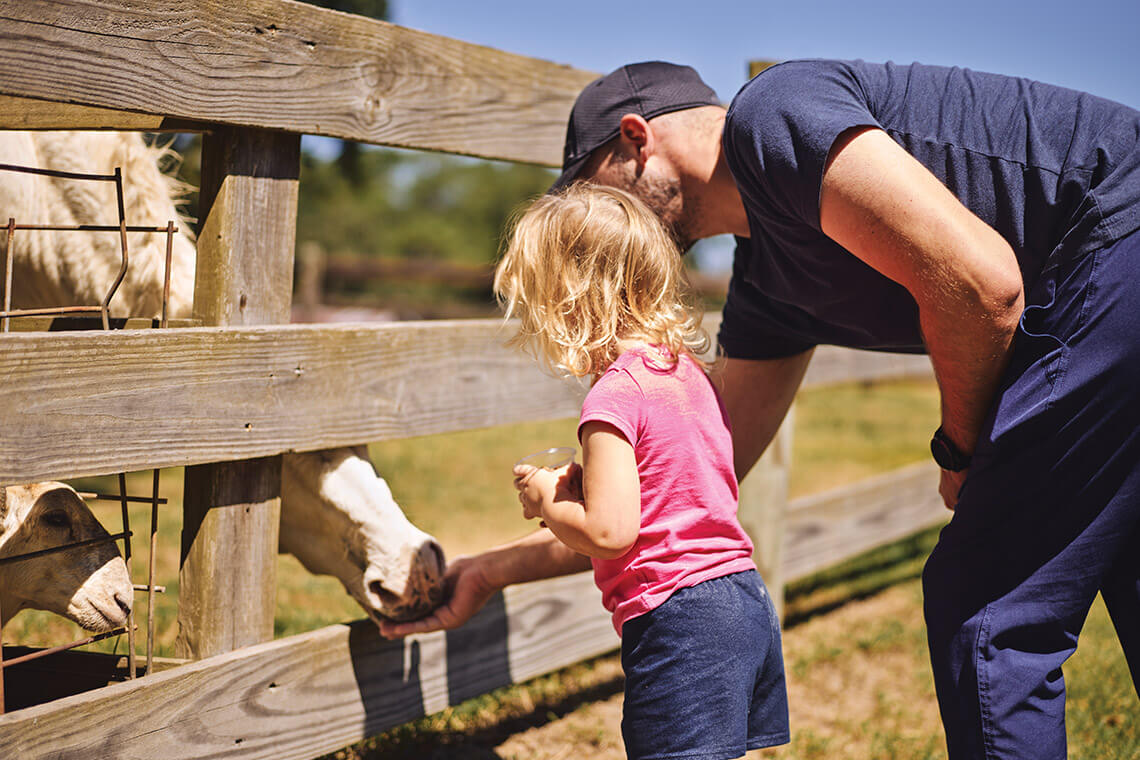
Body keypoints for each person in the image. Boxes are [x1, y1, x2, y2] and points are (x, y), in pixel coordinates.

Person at [381, 60, 1140, 759]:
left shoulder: (776, 114)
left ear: (635, 139)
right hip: (1095, 281)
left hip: (1114, 231)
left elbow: (982, 285)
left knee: (989, 609)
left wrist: (962, 450)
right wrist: (492, 570)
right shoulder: (770, 290)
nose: (588, 222)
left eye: (587, 187)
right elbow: (675, 504)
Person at [498, 183, 789, 759]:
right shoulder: (688, 375)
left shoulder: (612, 398)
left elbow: (609, 534)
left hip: (680, 620)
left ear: (569, 301)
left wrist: (547, 502)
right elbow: (672, 486)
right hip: (741, 599)